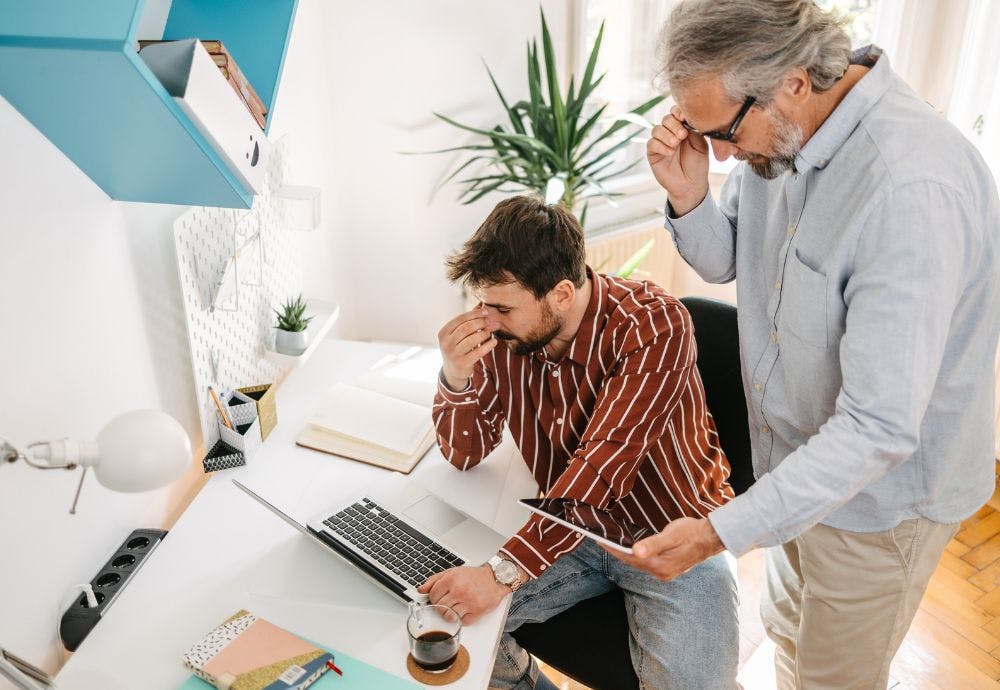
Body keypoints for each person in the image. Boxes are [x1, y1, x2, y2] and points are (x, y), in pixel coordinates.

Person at [619, 1, 1000, 688]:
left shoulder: (909, 189)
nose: (726, 153)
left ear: (793, 80)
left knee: (834, 678)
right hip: (794, 467)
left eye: (725, 132)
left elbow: (878, 427)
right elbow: (728, 257)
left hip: (881, 504)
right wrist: (689, 196)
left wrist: (717, 531)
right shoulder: (787, 134)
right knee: (790, 631)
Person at [419, 194, 738, 690]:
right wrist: (456, 375)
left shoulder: (655, 326)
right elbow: (466, 452)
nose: (487, 319)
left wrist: (501, 573)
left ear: (562, 294)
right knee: (438, 624)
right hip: (568, 531)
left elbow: (602, 467)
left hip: (673, 535)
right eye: (482, 303)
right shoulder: (508, 336)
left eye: (501, 307)